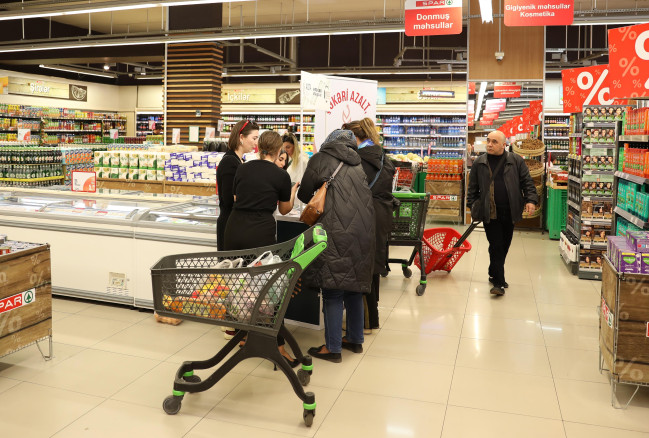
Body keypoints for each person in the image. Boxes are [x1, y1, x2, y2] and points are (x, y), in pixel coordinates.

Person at [297, 129, 375, 363]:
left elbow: (303, 195)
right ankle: (355, 339)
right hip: (362, 231)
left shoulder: (320, 159)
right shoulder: (358, 164)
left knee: (332, 289)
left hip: (335, 230)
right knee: (353, 287)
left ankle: (333, 348)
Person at [223, 130, 300, 367]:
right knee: (267, 289)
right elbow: (285, 209)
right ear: (279, 151)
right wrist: (294, 191)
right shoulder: (280, 175)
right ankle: (277, 345)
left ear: (258, 149)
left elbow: (236, 197)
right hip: (260, 235)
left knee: (240, 286)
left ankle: (245, 334)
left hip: (234, 230)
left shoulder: (243, 168)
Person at [466, 130, 538, 296]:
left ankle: (494, 270)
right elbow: (472, 188)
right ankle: (499, 282)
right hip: (490, 212)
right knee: (496, 244)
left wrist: (531, 200)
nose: (489, 144)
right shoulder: (479, 162)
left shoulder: (516, 161)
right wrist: (472, 206)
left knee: (503, 245)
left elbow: (527, 182)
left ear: (504, 145)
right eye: (488, 141)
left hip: (510, 210)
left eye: (494, 142)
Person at [343, 118, 396, 335]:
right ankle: (371, 319)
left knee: (360, 266)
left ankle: (363, 322)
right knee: (372, 266)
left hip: (363, 215)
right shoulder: (383, 156)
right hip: (381, 215)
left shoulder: (357, 159)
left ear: (356, 137)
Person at [216, 120, 259, 251]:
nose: (256, 143)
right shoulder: (230, 162)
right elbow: (228, 199)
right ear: (241, 137)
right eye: (254, 138)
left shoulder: (239, 160)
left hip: (236, 225)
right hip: (230, 226)